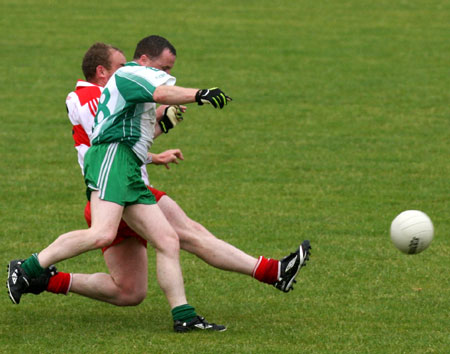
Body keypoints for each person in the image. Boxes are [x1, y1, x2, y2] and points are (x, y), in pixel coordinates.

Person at [7, 37, 311, 332]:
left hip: (126, 169)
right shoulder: (122, 78)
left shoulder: (125, 83)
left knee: (161, 250)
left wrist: (159, 132)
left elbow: (129, 128)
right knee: (104, 233)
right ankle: (29, 268)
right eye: (163, 68)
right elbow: (129, 120)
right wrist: (199, 94)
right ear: (140, 62)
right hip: (114, 166)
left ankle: (185, 316)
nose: (165, 75)